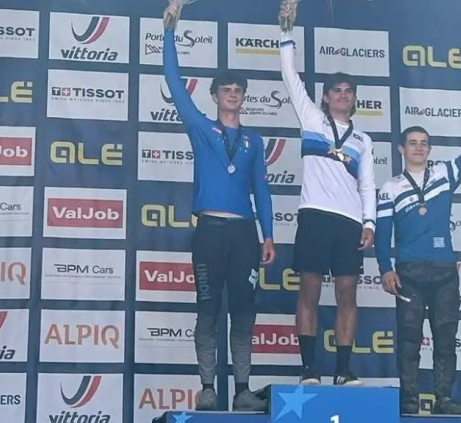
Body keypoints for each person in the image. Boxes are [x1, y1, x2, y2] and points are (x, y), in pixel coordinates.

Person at [162, 4, 275, 412]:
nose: (232, 94)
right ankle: (208, 387)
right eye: (226, 89)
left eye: (238, 90)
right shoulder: (200, 128)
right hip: (209, 230)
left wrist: (268, 235)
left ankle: (243, 389)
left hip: (244, 233)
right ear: (214, 96)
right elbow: (173, 83)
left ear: (243, 98)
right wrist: (170, 32)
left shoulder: (253, 141)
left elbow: (261, 189)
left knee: (243, 312)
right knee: (208, 309)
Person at [374, 89, 461, 415]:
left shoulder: (445, 174)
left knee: (446, 339)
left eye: (424, 143)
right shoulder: (390, 188)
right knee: (409, 339)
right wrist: (384, 268)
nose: (419, 148)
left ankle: (444, 399)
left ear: (430, 149)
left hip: (444, 271)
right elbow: (382, 234)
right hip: (408, 272)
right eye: (413, 143)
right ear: (401, 149)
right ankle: (409, 400)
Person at [278, 5, 376, 386]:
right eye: (337, 91)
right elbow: (290, 75)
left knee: (347, 295)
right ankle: (308, 369)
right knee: (310, 290)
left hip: (349, 221)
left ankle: (343, 370)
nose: (343, 96)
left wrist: (369, 223)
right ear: (325, 97)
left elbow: (367, 184)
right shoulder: (312, 119)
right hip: (315, 215)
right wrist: (287, 31)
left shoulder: (363, 140)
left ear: (354, 99)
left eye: (349, 92)